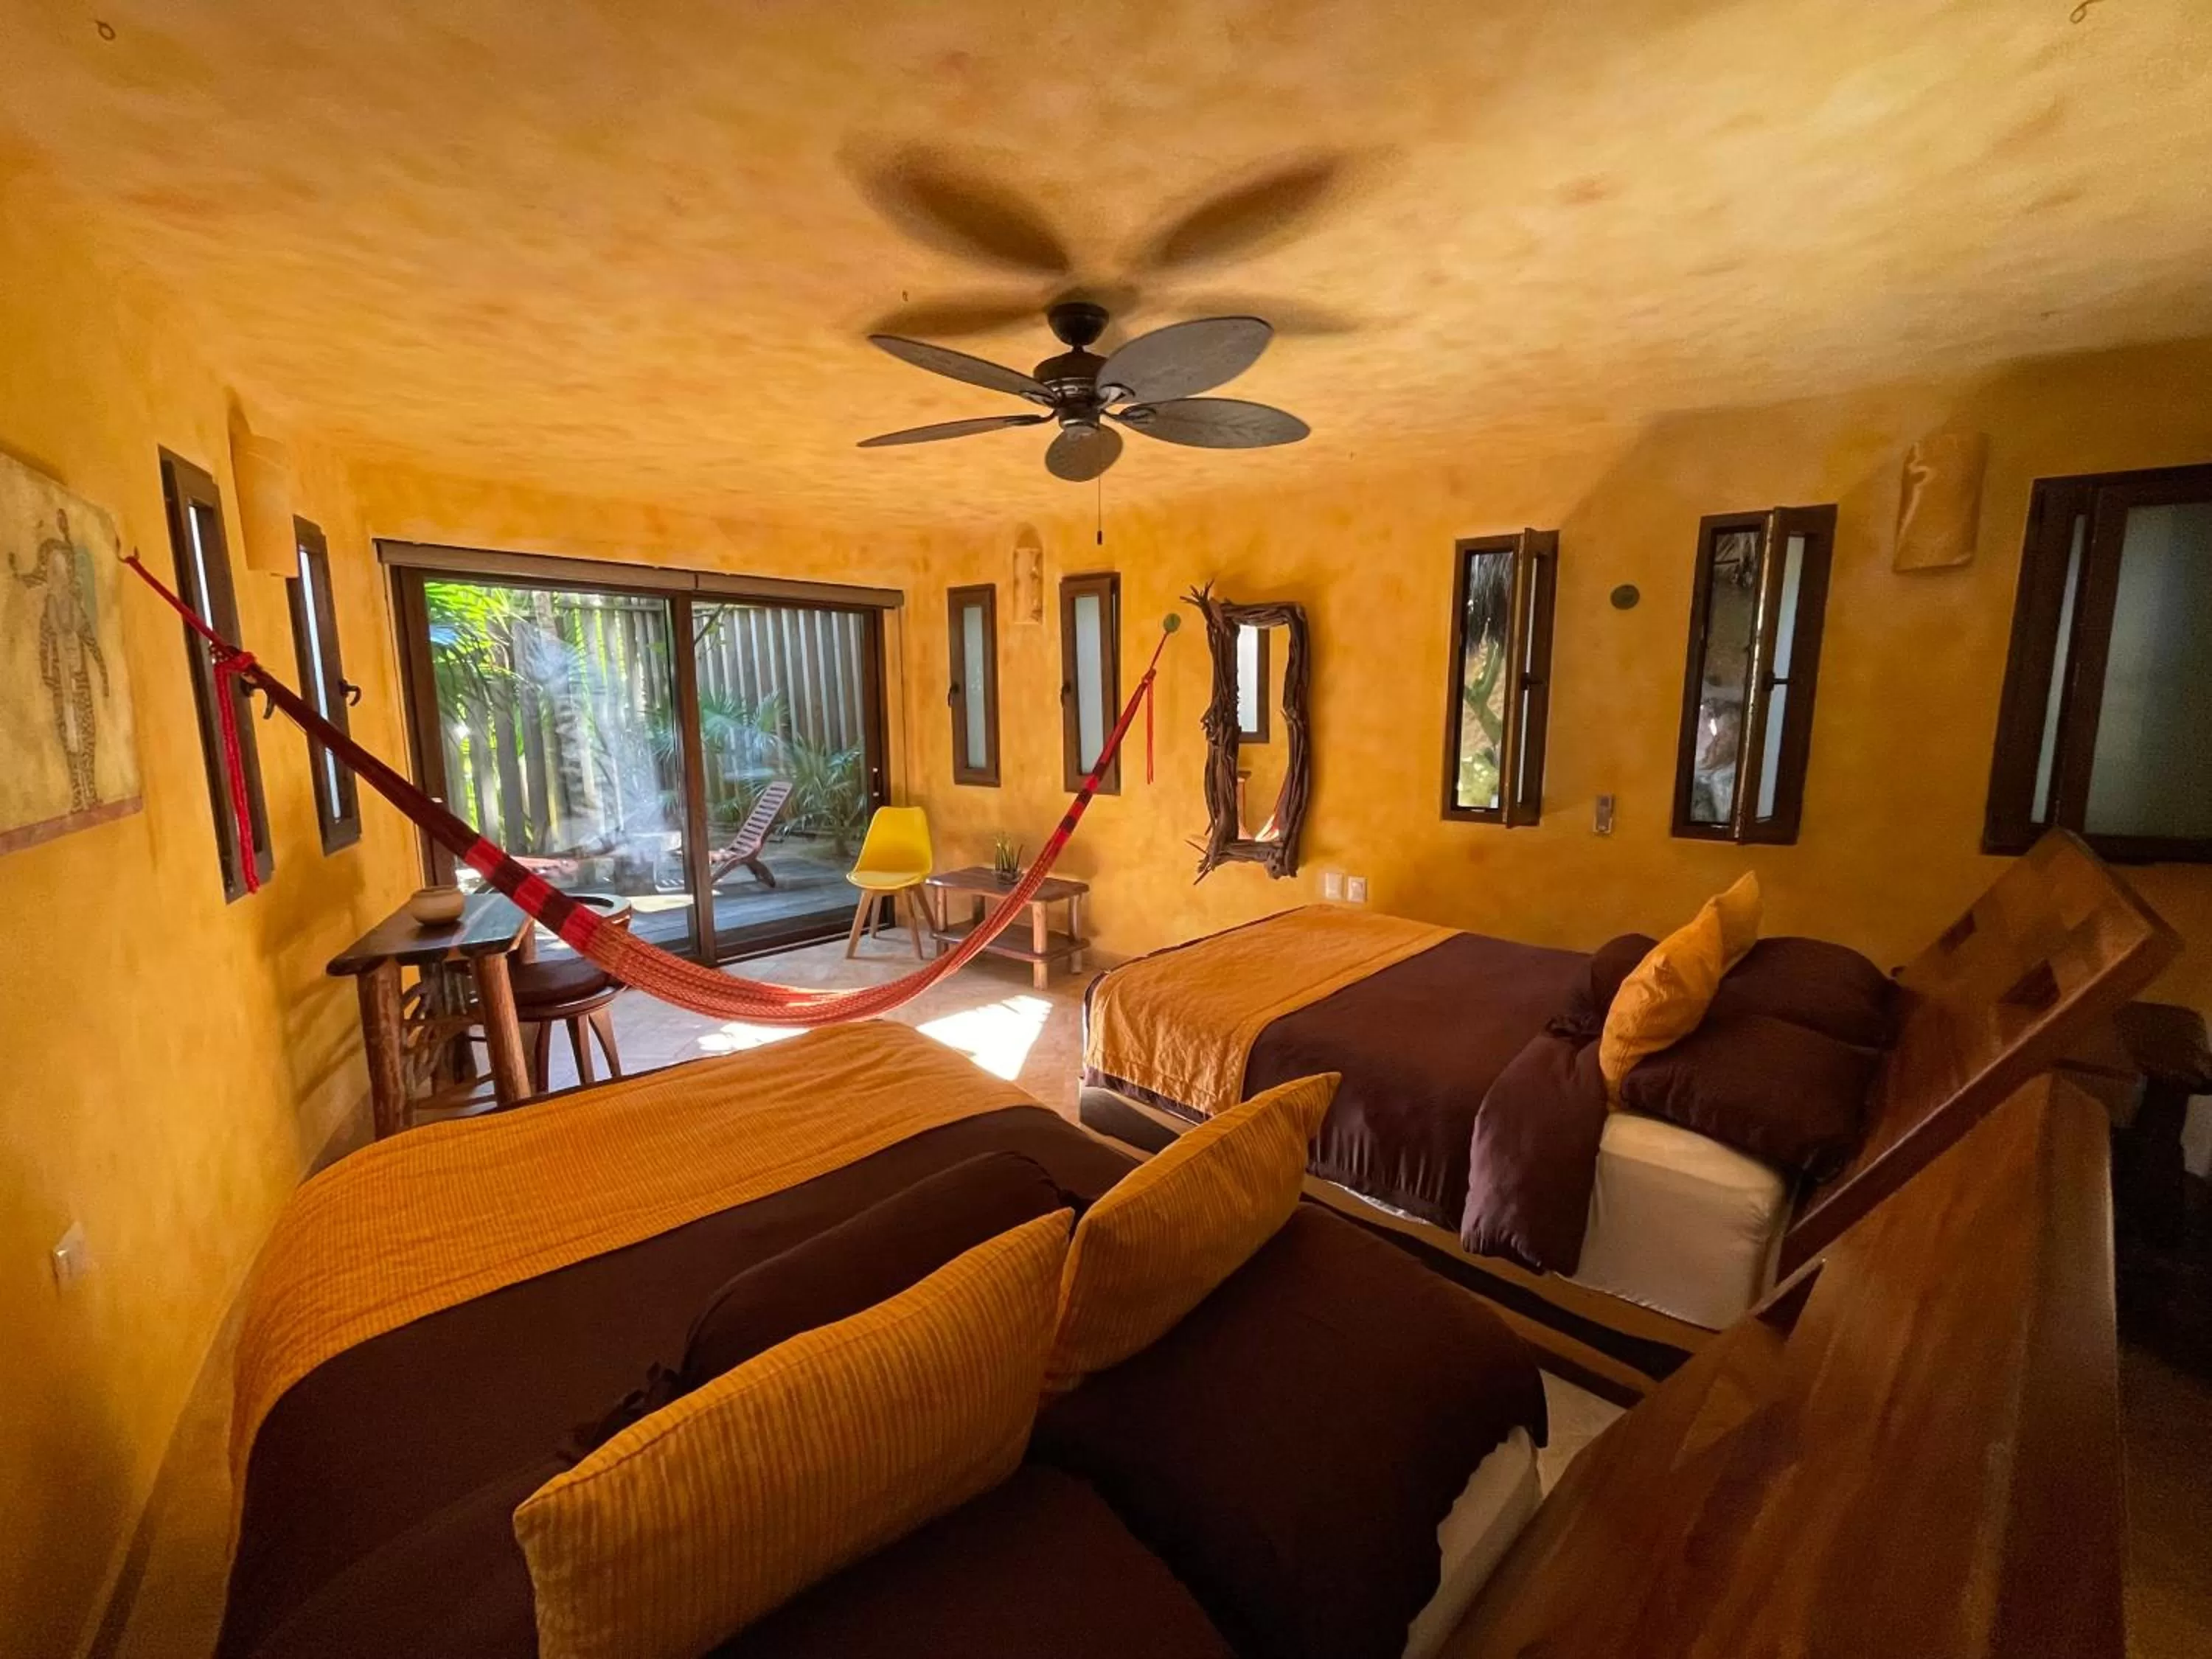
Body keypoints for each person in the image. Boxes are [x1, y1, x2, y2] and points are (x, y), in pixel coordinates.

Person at [10, 508, 111, 813]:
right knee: (68, 736)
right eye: (53, 571)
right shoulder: (49, 610)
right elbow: (43, 645)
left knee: (87, 732)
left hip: (78, 677)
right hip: (60, 682)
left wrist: (103, 673)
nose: (60, 575)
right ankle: (79, 793)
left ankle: (91, 790)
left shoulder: (75, 607)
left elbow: (90, 641)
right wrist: (46, 674)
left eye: (62, 569)